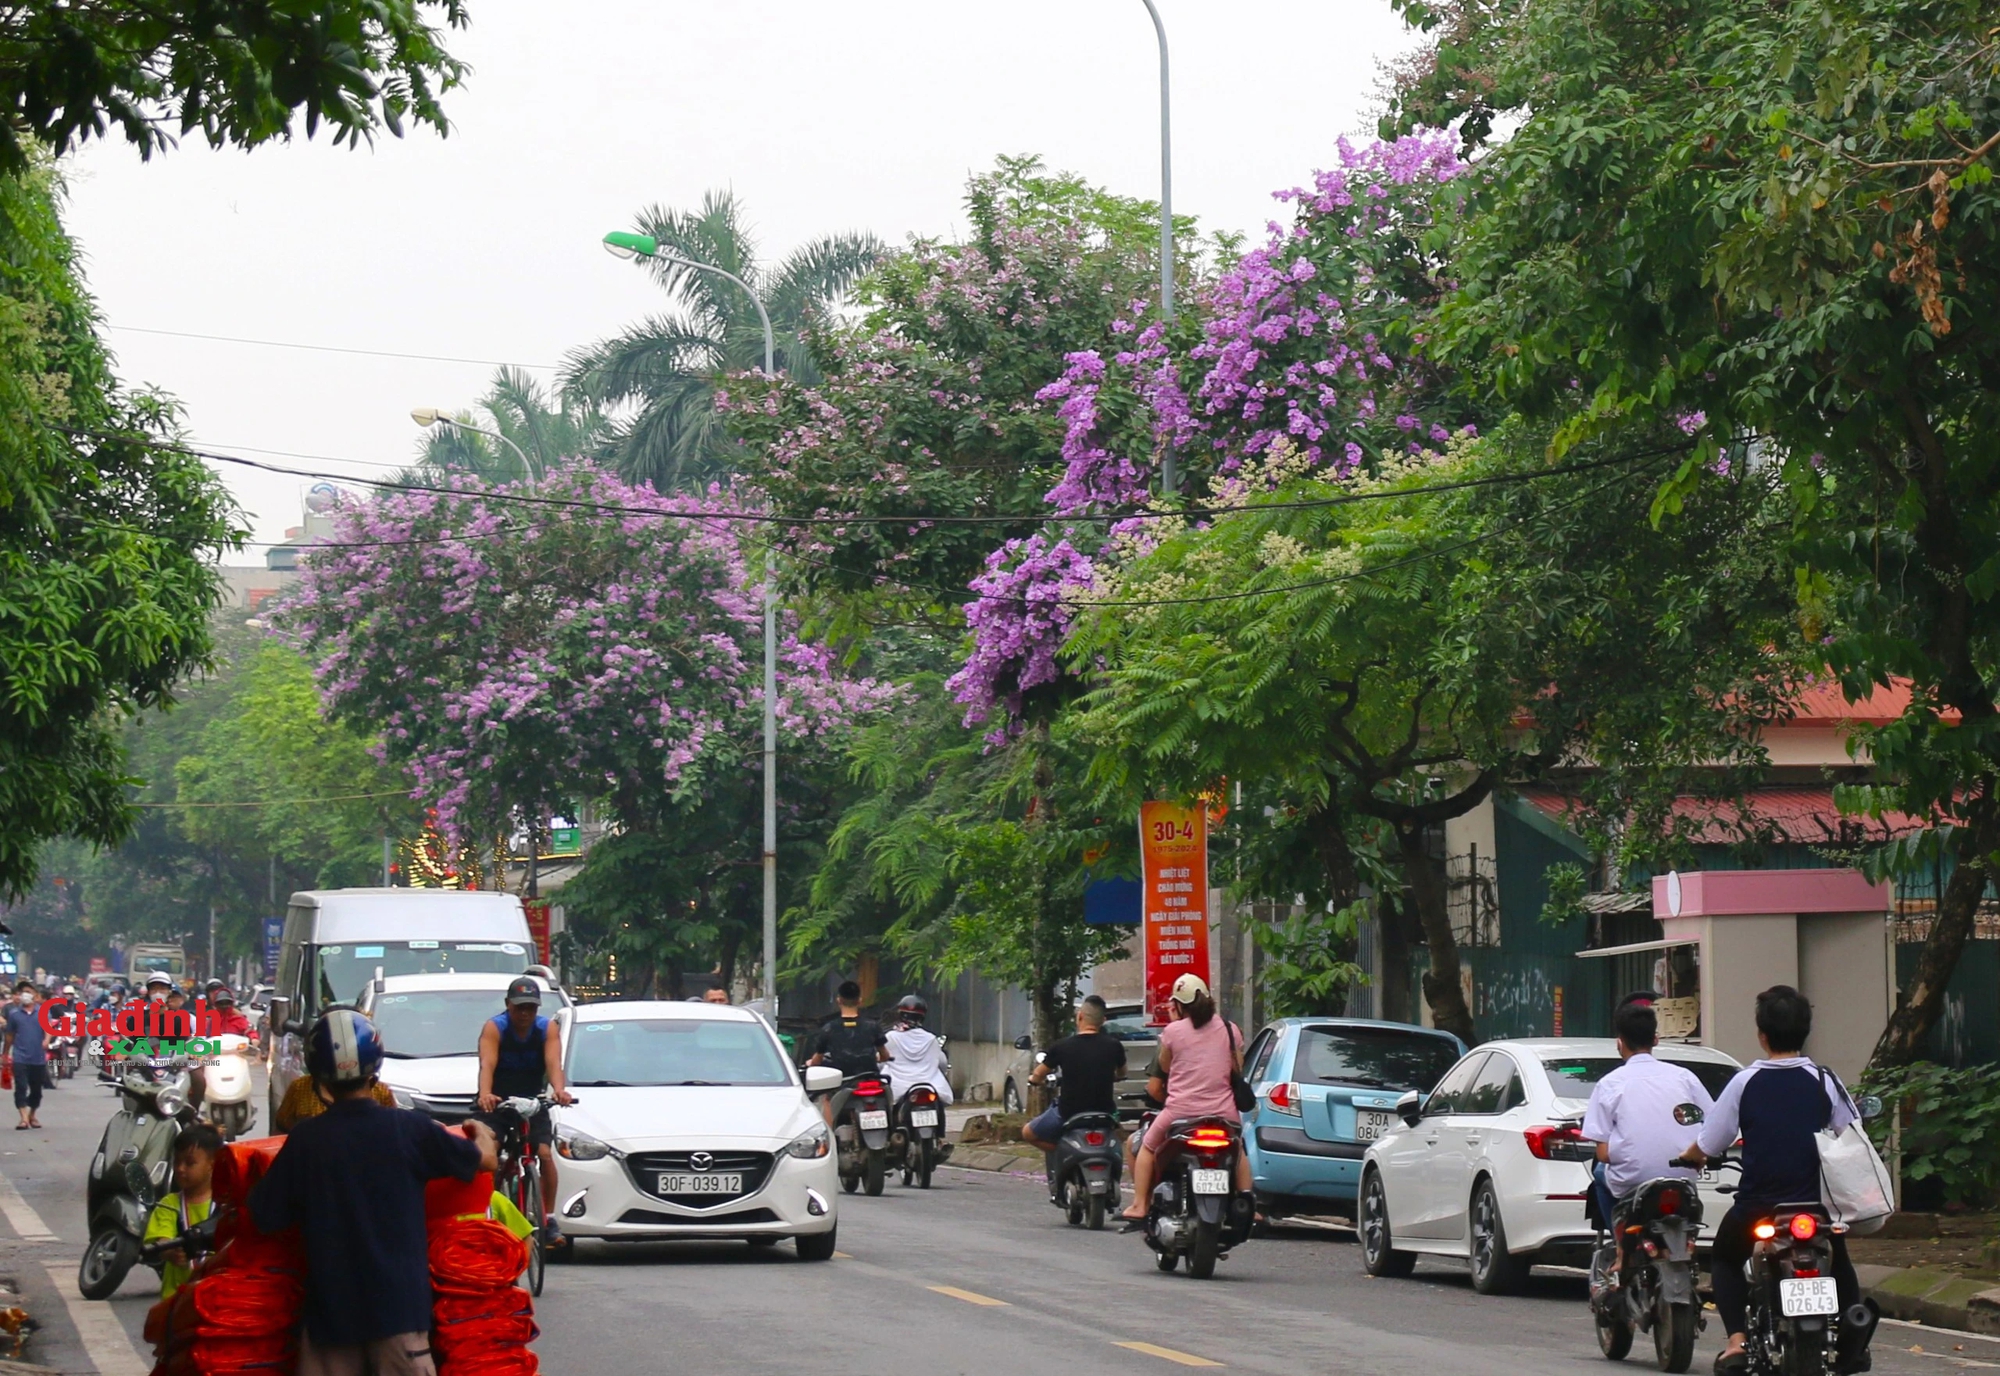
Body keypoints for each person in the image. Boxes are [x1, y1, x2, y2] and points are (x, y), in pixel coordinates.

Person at [250, 1009, 497, 1376]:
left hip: (331, 1319)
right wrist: (479, 1130)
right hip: (400, 1315)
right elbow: (485, 1162)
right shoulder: (410, 1129)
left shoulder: (306, 1141)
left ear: (318, 1074)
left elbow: (264, 1214)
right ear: (374, 1066)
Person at [1679, 986, 1875, 1376]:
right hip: (1816, 1207)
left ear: (1762, 1035)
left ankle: (1736, 1342)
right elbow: (1852, 1132)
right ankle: (1854, 1337)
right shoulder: (1824, 1080)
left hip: (1759, 1207)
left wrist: (1691, 1157)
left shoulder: (1744, 1082)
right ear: (1805, 1033)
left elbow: (1710, 1141)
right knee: (1840, 1257)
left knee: (1724, 1257)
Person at [1580, 998, 1713, 1282]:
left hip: (1631, 1181)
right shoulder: (1684, 1077)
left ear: (1619, 1042)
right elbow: (1712, 1125)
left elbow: (1602, 1154)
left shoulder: (1610, 1084)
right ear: (1656, 1039)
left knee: (1599, 1173)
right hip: (1682, 1176)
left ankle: (1620, 1251)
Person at [1121, 975, 1250, 1221]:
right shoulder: (1229, 1029)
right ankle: (1248, 1205)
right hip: (1224, 1113)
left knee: (1147, 1147)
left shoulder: (1172, 1032)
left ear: (1179, 1005)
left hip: (1179, 1113)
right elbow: (1238, 1068)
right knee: (1239, 1149)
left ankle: (1139, 1205)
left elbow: (1165, 1068)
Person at [474, 977, 572, 1244]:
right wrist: (485, 1094)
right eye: (520, 1007)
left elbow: (554, 1064)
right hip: (497, 1100)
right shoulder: (496, 1027)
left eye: (531, 1007)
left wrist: (559, 1091)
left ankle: (548, 1218)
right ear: (508, 1005)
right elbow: (488, 1064)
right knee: (488, 1151)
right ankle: (484, 1210)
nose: (525, 1013)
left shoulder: (545, 1028)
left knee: (544, 1153)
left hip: (532, 1101)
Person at [1022, 999, 1125, 1151]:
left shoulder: (1062, 1046)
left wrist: (1034, 1080)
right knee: (1119, 1139)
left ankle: (1065, 1152)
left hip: (1068, 1113)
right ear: (1103, 1021)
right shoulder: (1115, 1045)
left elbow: (1038, 1073)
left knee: (1028, 1133)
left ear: (1079, 1016)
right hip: (1105, 1113)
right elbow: (1122, 1073)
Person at [144, 1123, 222, 1300]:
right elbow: (162, 1239)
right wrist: (170, 1252)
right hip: (175, 1301)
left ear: (212, 1164)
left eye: (189, 1163)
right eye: (177, 1161)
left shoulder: (225, 1203)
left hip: (216, 1298)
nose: (180, 1168)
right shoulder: (169, 1204)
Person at [805, 981, 889, 1128]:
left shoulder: (829, 1028)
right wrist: (877, 1057)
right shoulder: (872, 1026)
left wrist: (810, 1064)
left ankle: (829, 1138)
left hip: (842, 1082)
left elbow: (817, 1060)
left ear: (839, 1000)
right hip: (870, 1078)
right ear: (860, 1001)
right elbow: (885, 1055)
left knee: (825, 1098)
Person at [882, 994, 954, 1107]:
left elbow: (882, 1061)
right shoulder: (931, 1039)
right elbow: (942, 1062)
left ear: (900, 1014)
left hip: (898, 1089)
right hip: (930, 1085)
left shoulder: (890, 1037)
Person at [4, 981, 48, 1129]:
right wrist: (5, 1054)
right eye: (23, 992)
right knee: (21, 1087)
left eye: (29, 991)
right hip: (20, 1056)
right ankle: (23, 1118)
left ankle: (32, 1114)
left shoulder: (43, 1012)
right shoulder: (14, 1014)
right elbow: (9, 1035)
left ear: (35, 995)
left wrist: (46, 1040)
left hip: (38, 1057)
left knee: (36, 1089)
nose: (25, 994)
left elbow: (48, 1029)